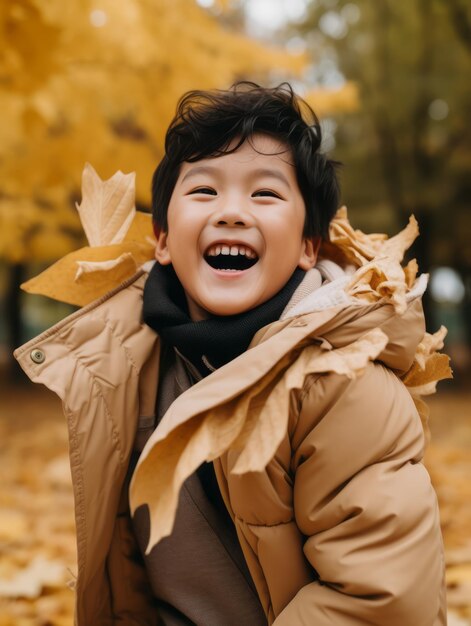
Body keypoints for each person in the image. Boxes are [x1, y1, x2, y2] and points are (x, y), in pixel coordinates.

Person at [15, 82, 447, 626]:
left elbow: (380, 601)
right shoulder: (130, 367)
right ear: (164, 240)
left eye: (265, 194)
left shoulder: (341, 382)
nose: (232, 213)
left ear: (308, 245)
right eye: (203, 192)